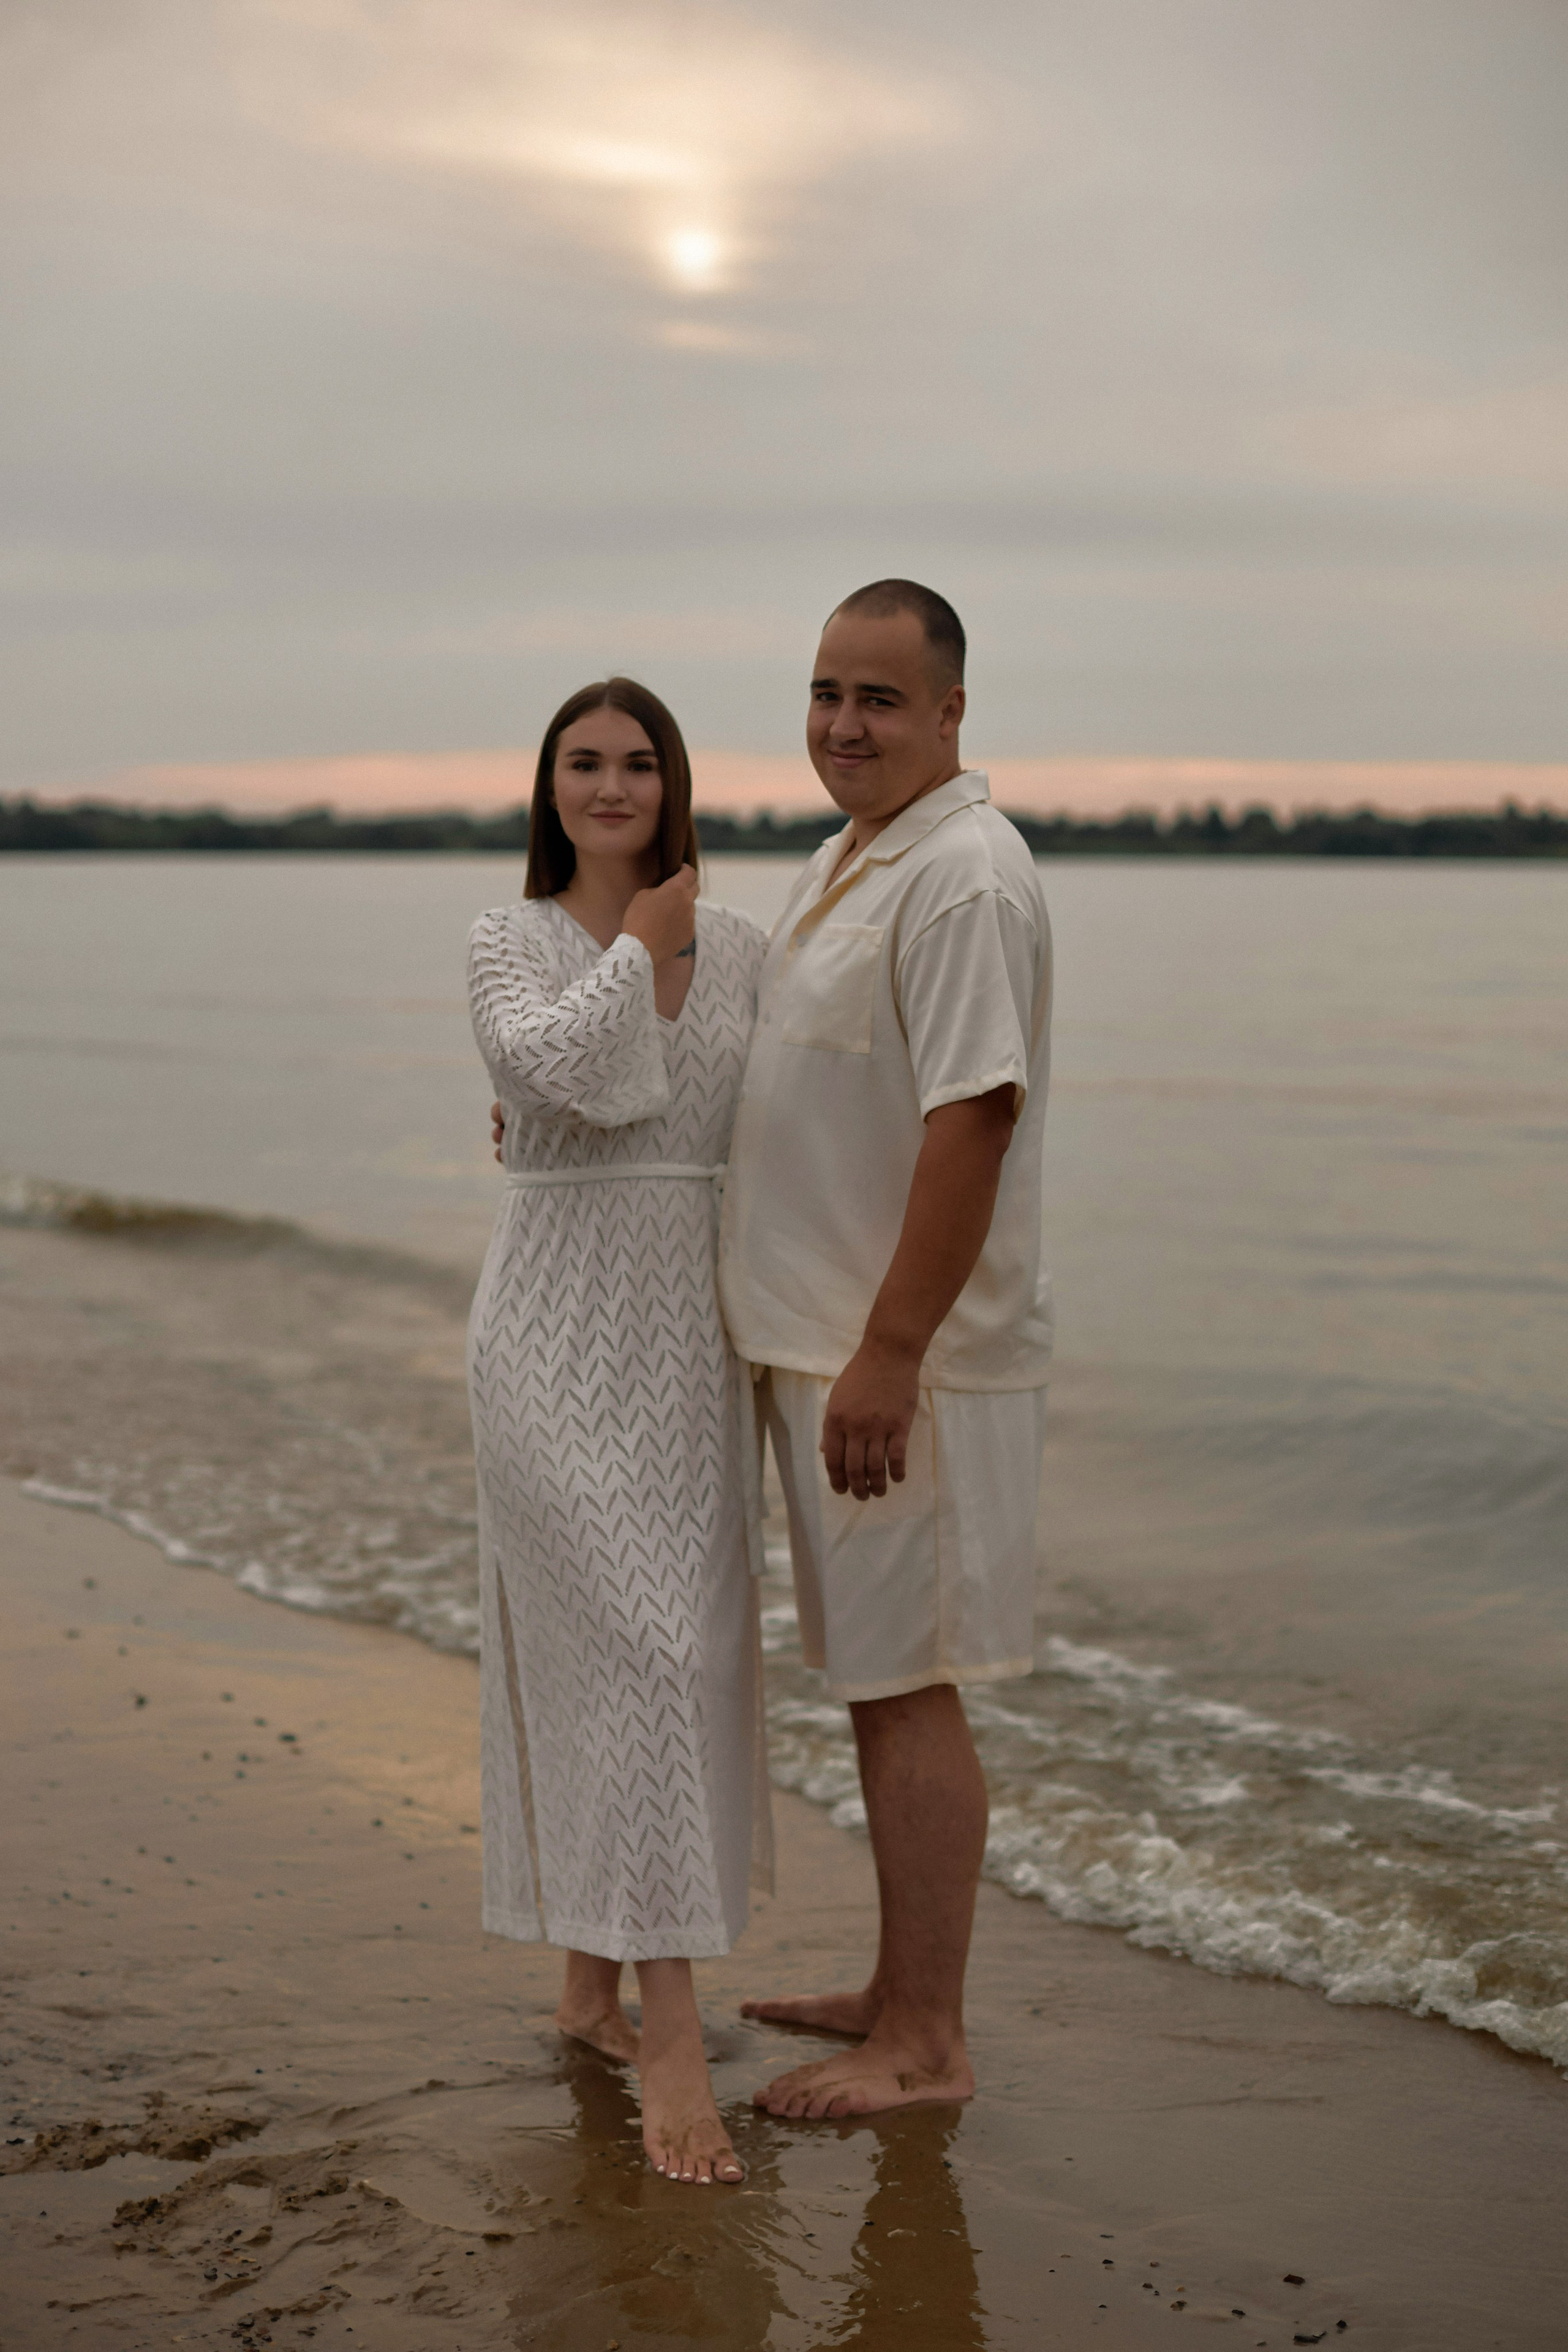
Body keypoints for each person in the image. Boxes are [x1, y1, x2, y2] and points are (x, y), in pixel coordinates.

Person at [722, 579, 1054, 2120]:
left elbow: (972, 1118)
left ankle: (924, 2042)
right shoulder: (853, 854)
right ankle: (893, 1987)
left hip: (896, 1361)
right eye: (824, 692)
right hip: (823, 1345)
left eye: (877, 699)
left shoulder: (965, 876)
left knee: (909, 1684)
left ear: (948, 712)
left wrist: (890, 1351)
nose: (842, 725)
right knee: (874, 1680)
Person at [466, 675, 772, 2188]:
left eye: (636, 763)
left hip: (689, 1348)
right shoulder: (505, 940)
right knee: (641, 1658)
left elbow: (798, 1125)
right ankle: (671, 2042)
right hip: (544, 1342)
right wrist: (642, 945)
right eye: (581, 763)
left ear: (672, 783)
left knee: (665, 1658)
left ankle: (588, 1989)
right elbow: (557, 1078)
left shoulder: (751, 951)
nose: (609, 787)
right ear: (548, 786)